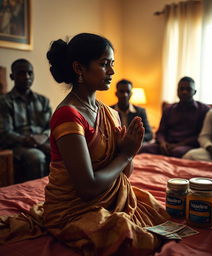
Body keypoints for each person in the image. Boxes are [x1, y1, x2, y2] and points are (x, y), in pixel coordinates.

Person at [42, 33, 169, 255]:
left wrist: (126, 151)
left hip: (108, 201)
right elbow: (87, 188)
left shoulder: (110, 113)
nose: (112, 72)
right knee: (133, 238)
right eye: (104, 64)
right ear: (79, 68)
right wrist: (126, 155)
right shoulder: (68, 115)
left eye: (112, 64)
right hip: (73, 211)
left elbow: (124, 176)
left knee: (158, 214)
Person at [0, 58, 52, 183]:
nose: (27, 77)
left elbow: (51, 126)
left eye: (30, 73)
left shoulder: (43, 100)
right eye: (21, 73)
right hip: (18, 145)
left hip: (41, 141)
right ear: (12, 76)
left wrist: (43, 137)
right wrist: (26, 140)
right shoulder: (4, 101)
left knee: (64, 152)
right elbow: (5, 132)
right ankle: (34, 199)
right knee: (36, 157)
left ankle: (61, 195)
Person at [140, 76, 210, 158]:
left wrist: (178, 145)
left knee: (177, 152)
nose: (184, 92)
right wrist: (162, 143)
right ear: (177, 91)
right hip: (166, 144)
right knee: (143, 149)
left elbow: (201, 135)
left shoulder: (203, 109)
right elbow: (160, 132)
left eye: (188, 89)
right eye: (181, 89)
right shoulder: (168, 109)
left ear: (194, 92)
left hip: (187, 146)